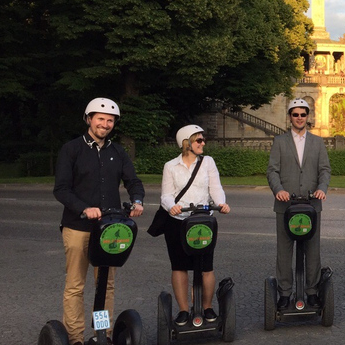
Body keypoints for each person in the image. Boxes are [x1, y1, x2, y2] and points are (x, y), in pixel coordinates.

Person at [53, 98, 145, 345]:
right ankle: (75, 339)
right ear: (88, 119)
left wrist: (137, 200)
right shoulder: (72, 149)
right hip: (78, 226)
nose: (105, 124)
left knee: (106, 285)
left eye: (110, 120)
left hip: (110, 229)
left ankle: (100, 334)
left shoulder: (117, 151)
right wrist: (84, 208)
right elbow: (61, 189)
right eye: (100, 119)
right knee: (75, 285)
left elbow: (133, 181)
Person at [160, 125, 230, 326]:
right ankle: (183, 310)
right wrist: (171, 206)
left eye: (202, 139)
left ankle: (206, 307)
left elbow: (215, 187)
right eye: (198, 140)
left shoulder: (208, 162)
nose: (203, 143)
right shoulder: (170, 166)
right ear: (186, 143)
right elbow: (166, 194)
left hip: (202, 221)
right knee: (179, 267)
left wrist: (221, 203)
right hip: (178, 221)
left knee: (206, 267)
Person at [267, 98, 331, 309]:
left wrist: (322, 188)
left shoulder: (318, 142)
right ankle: (285, 293)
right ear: (290, 117)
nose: (299, 118)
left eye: (303, 114)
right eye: (295, 114)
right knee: (284, 251)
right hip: (286, 204)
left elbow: (325, 170)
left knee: (313, 250)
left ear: (308, 117)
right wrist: (279, 191)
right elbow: (272, 171)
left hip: (311, 204)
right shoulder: (280, 141)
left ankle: (312, 291)